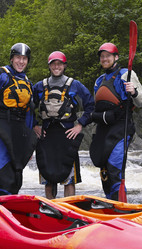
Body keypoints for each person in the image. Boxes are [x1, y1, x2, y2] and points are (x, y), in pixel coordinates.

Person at [0, 43, 40, 196]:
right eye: (18, 58)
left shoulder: (27, 82)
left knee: (17, 173)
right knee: (3, 169)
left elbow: (29, 112)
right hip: (1, 125)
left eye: (24, 59)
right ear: (12, 59)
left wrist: (29, 143)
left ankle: (11, 205)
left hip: (19, 128)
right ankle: (0, 201)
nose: (21, 62)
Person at [89, 42, 142, 200]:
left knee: (114, 168)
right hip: (103, 128)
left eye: (108, 56)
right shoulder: (99, 80)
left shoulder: (126, 74)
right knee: (104, 171)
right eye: (102, 57)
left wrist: (134, 91)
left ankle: (120, 206)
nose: (104, 59)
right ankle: (110, 203)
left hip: (121, 128)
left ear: (115, 57)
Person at [33, 51, 94, 199]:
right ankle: (50, 207)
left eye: (59, 64)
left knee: (69, 178)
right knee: (48, 174)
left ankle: (69, 209)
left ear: (64, 65)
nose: (56, 66)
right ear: (49, 66)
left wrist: (80, 125)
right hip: (46, 135)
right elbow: (27, 108)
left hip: (68, 134)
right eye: (53, 64)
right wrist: (35, 125)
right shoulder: (39, 86)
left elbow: (91, 106)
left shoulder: (75, 85)